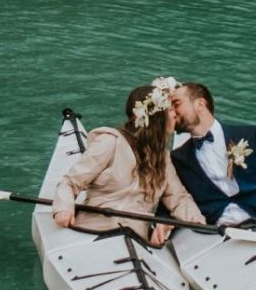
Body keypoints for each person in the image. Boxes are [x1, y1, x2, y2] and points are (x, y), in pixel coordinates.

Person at [52, 78, 203, 246]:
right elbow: (70, 182)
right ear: (156, 117)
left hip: (136, 240)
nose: (175, 113)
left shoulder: (163, 158)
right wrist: (64, 208)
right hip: (92, 231)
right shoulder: (110, 143)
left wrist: (201, 228)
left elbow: (179, 199)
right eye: (169, 110)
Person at [170, 82, 256, 228]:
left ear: (200, 104)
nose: (171, 112)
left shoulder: (252, 136)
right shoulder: (178, 158)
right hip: (213, 234)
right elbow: (173, 199)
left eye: (176, 104)